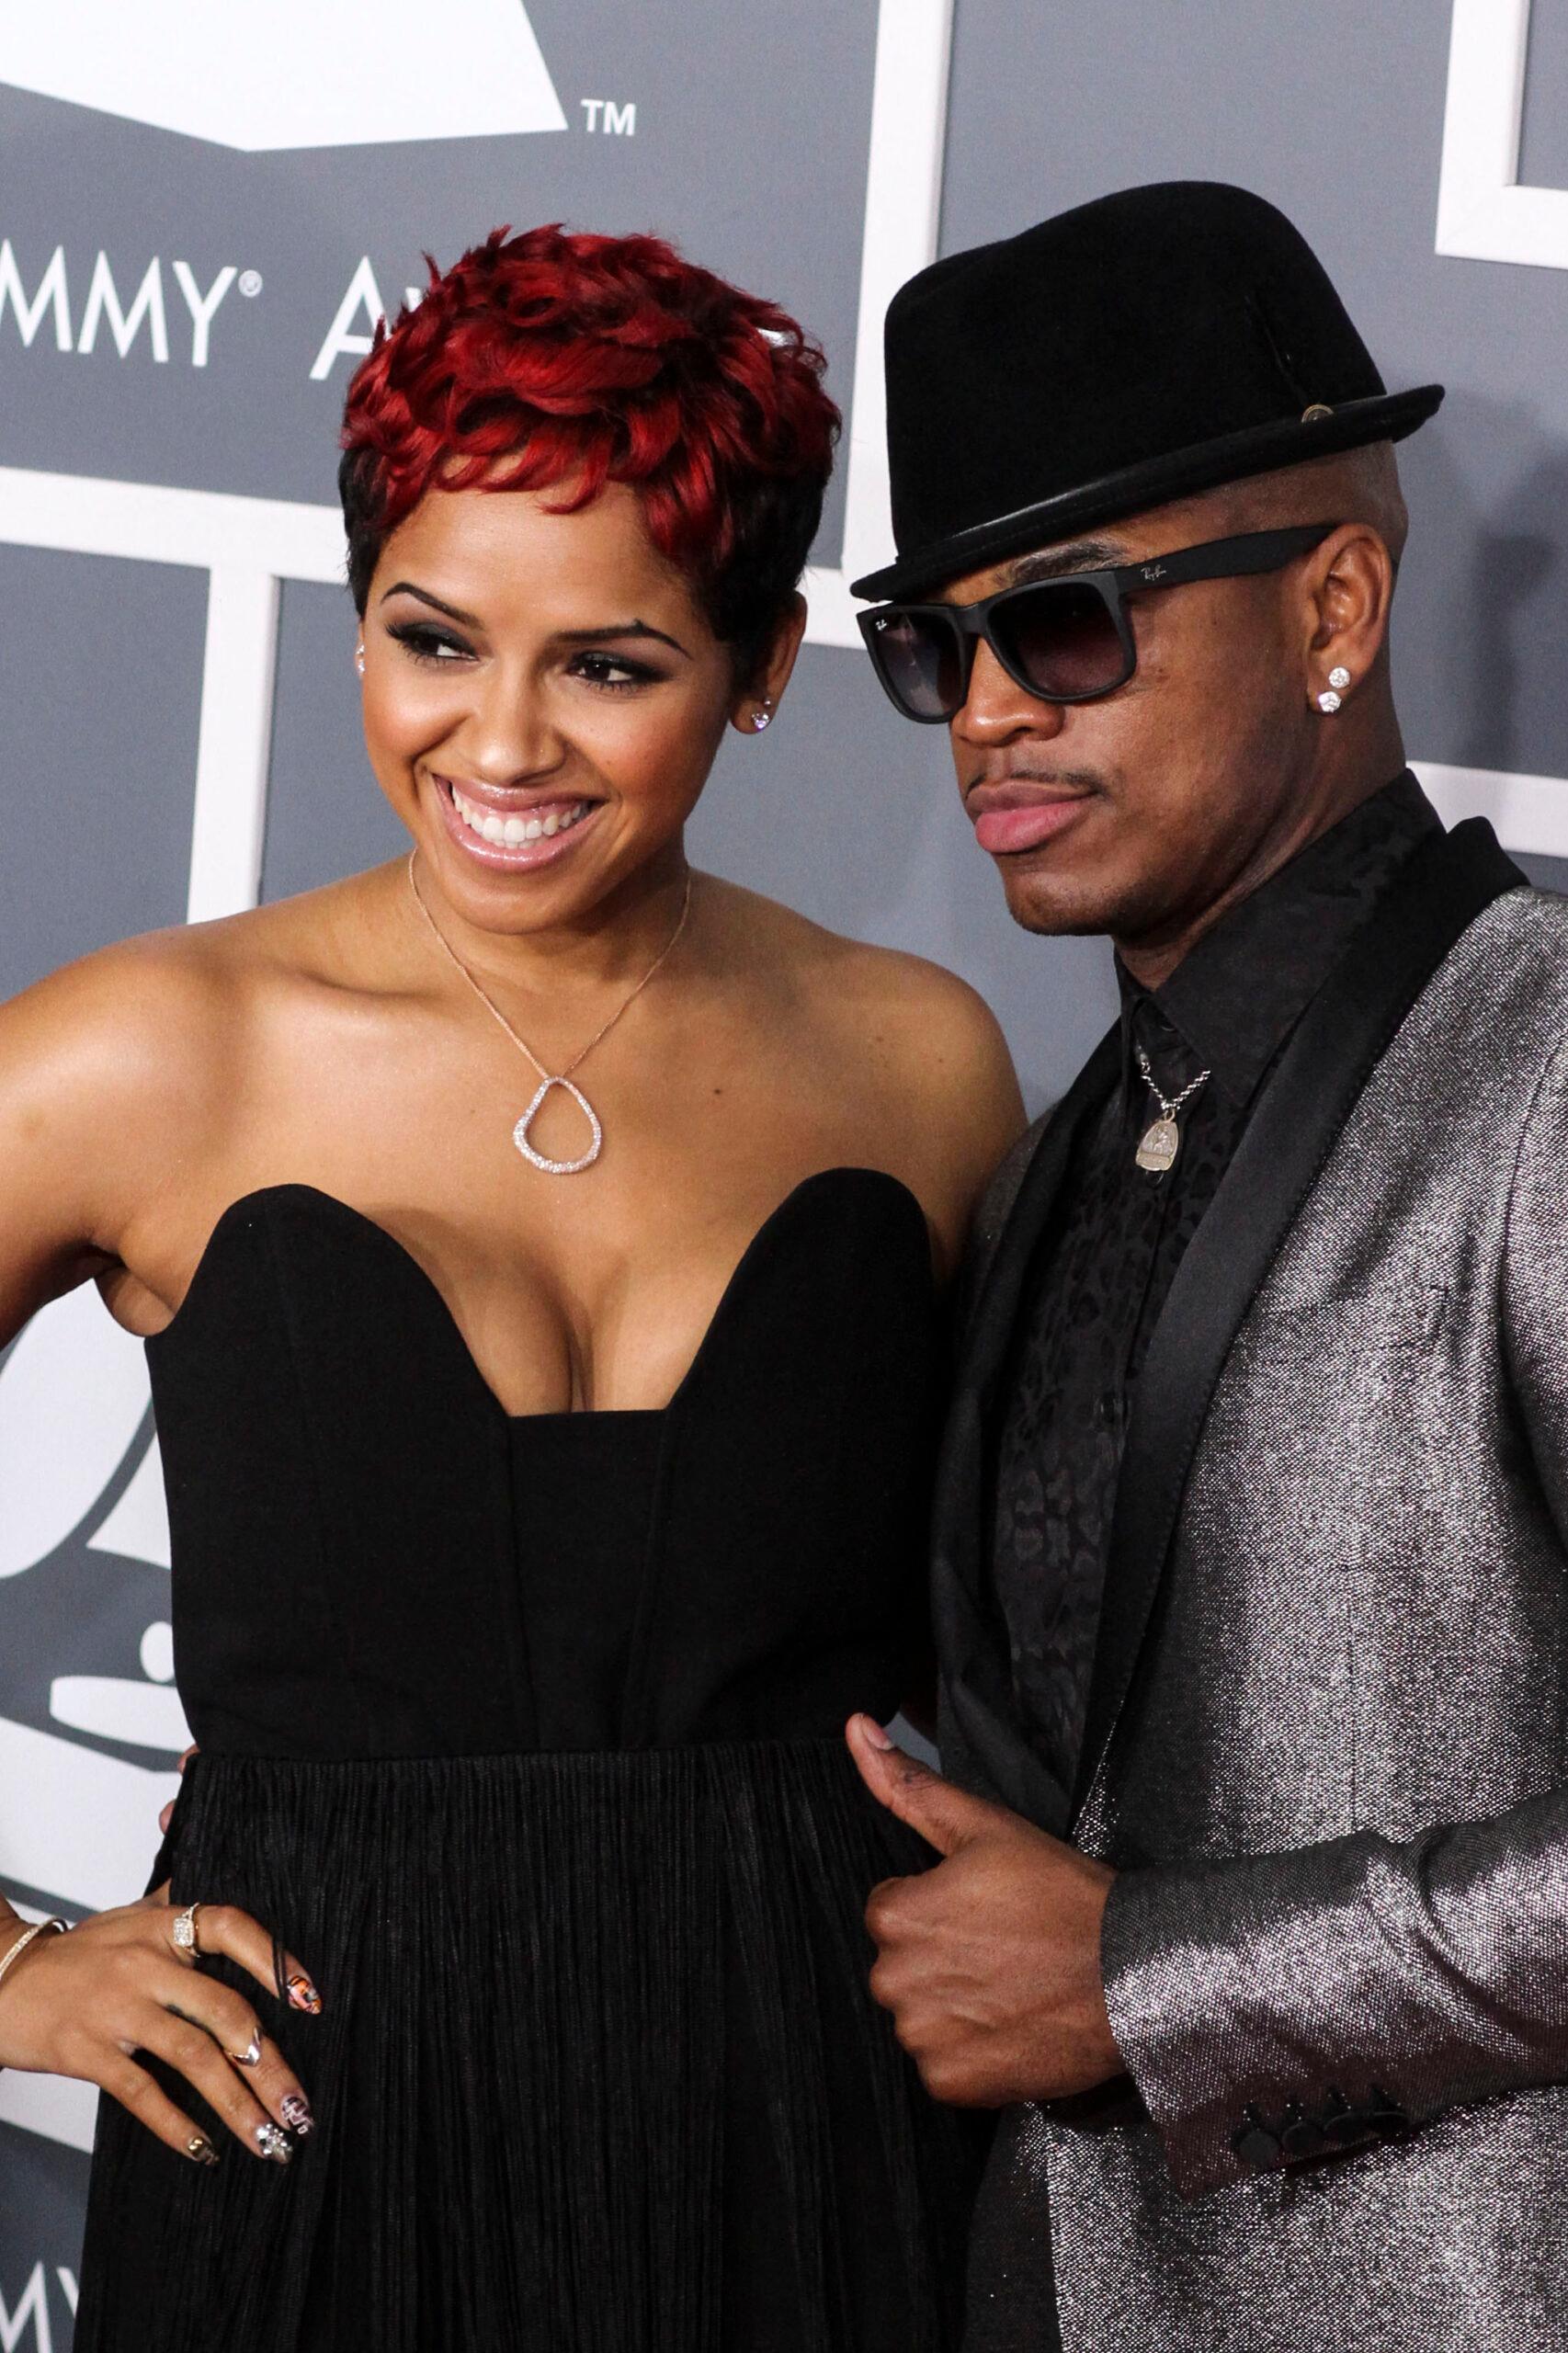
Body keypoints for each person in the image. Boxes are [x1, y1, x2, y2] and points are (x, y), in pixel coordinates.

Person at [0, 223, 1021, 2351]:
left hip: (818, 2134)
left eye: (613, 664)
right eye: (431, 638)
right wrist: (10, 1974)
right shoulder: (148, 1051)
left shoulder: (918, 1061)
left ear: (758, 664)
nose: (505, 741)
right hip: (304, 2133)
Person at [839, 182, 1568, 2350]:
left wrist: (1154, 1976)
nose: (987, 710)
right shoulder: (1068, 1134)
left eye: (1064, 622)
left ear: (1334, 597)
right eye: (934, 647)